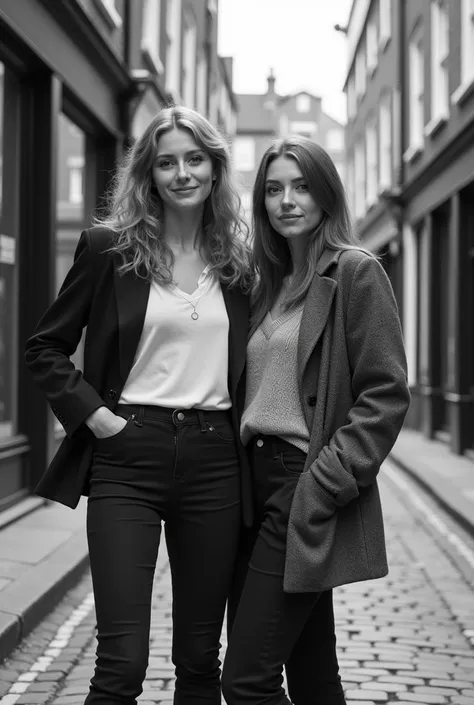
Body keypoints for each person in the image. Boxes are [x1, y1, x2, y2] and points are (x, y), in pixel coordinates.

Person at [25, 106, 253, 705]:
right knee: (121, 664)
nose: (182, 173)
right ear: (148, 174)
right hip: (128, 455)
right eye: (166, 161)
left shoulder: (240, 261)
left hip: (216, 460)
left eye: (194, 159)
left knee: (202, 661)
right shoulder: (109, 249)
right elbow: (45, 348)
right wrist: (98, 417)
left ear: (214, 167)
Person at [222, 136, 411, 705]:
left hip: (301, 487)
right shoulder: (263, 285)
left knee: (247, 680)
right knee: (311, 675)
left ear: (326, 193)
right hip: (249, 492)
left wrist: (322, 485)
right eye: (274, 189)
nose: (287, 200)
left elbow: (385, 393)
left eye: (301, 186)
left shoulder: (356, 273)